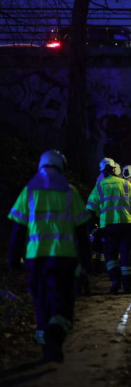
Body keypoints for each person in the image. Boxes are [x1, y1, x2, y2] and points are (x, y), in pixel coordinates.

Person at [8, 150, 91, 362]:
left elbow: (17, 230)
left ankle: (47, 346)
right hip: (64, 257)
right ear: (61, 167)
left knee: (41, 301)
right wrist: (86, 262)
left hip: (36, 258)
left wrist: (13, 260)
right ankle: (56, 333)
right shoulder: (70, 192)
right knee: (63, 301)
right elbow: (82, 232)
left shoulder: (29, 192)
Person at [87, 158, 131, 295]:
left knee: (110, 256)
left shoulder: (99, 186)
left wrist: (91, 228)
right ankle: (128, 286)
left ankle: (115, 282)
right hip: (127, 225)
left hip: (108, 227)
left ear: (103, 171)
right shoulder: (126, 184)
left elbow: (90, 210)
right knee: (126, 255)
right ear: (115, 170)